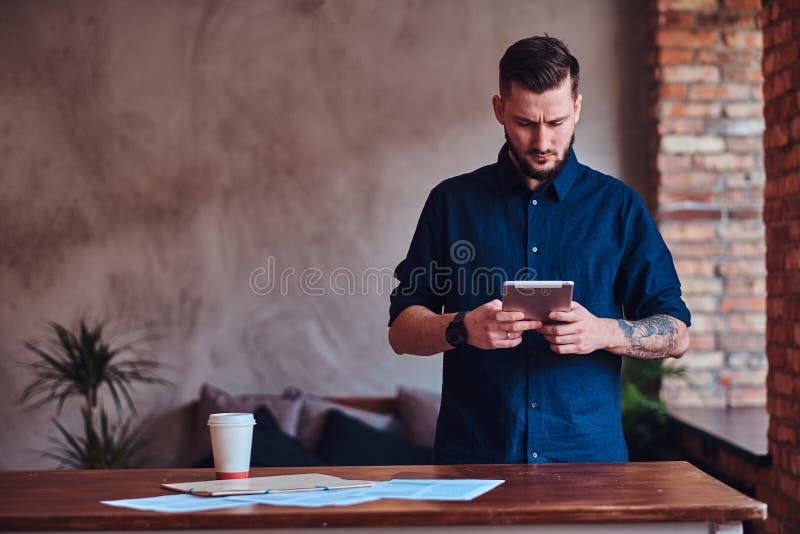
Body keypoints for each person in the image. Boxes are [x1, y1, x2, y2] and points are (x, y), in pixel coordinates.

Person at [387, 36, 691, 464]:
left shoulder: (619, 207)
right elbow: (400, 331)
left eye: (558, 122)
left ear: (578, 109)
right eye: (526, 122)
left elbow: (676, 333)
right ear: (499, 111)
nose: (543, 141)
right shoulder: (450, 203)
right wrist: (462, 327)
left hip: (591, 469)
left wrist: (603, 332)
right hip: (473, 465)